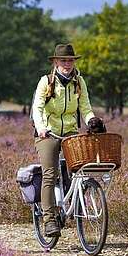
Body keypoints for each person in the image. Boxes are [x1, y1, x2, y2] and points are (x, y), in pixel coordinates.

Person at [31, 43, 102, 238]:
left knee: (79, 169)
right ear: (55, 62)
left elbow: (85, 107)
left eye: (70, 60)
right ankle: (49, 219)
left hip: (70, 131)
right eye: (63, 60)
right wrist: (41, 128)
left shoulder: (79, 82)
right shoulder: (46, 82)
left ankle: (71, 204)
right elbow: (37, 108)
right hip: (48, 133)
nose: (67, 64)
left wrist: (91, 120)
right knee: (50, 174)